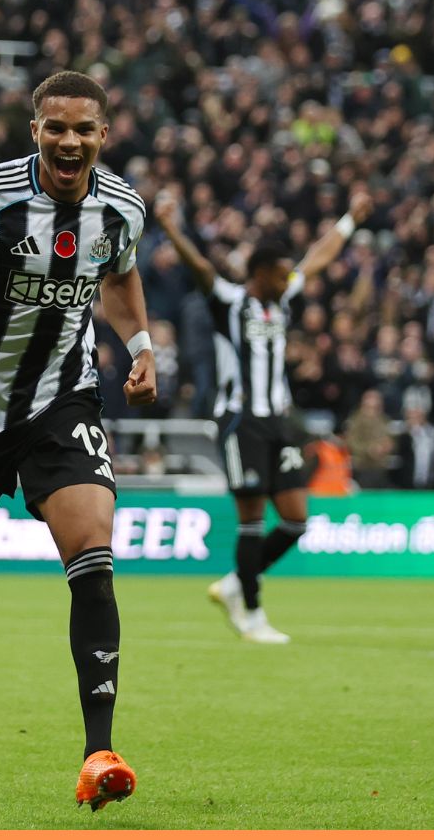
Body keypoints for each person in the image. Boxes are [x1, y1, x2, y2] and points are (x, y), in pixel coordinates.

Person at [0, 70, 156, 812]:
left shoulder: (121, 208)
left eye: (83, 129)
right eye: (56, 127)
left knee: (92, 546)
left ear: (103, 135)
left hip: (61, 398)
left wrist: (141, 342)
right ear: (35, 130)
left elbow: (118, 277)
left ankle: (99, 751)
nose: (69, 141)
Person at [157, 187, 373, 643]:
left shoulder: (280, 296)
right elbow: (200, 268)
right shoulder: (230, 301)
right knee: (252, 518)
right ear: (259, 275)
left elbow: (318, 257)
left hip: (279, 418)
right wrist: (172, 228)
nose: (288, 280)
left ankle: (238, 583)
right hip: (240, 421)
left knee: (296, 519)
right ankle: (252, 614)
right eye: (279, 276)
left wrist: (350, 218)